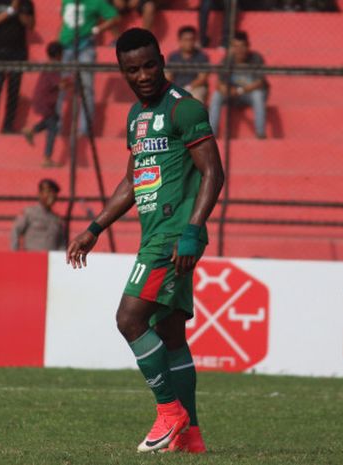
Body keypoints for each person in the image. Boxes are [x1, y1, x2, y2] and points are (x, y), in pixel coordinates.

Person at [66, 28, 224, 454]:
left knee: (129, 319)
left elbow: (214, 172)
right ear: (121, 72)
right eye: (132, 69)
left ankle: (169, 412)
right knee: (170, 333)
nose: (143, 75)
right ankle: (191, 438)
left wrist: (192, 231)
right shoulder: (136, 117)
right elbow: (134, 181)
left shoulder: (185, 109)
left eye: (150, 65)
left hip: (173, 236)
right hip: (155, 233)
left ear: (162, 61)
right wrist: (95, 227)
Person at [59, 0, 118, 136]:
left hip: (85, 47)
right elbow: (64, 22)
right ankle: (56, 127)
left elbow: (114, 17)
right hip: (65, 47)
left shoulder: (96, 2)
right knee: (61, 87)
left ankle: (84, 130)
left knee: (86, 88)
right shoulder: (66, 1)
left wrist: (97, 29)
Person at [0, 0, 35, 134]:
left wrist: (19, 11)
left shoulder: (26, 3)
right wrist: (10, 10)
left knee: (13, 90)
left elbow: (30, 25)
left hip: (17, 52)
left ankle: (8, 126)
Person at [209, 30, 268, 139]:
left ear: (247, 46)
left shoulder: (255, 58)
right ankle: (212, 135)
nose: (239, 50)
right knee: (216, 95)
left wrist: (240, 91)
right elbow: (219, 84)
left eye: (242, 46)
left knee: (258, 95)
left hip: (248, 95)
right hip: (232, 94)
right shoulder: (227, 60)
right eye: (235, 46)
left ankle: (260, 134)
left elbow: (260, 82)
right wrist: (227, 90)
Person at [22, 41, 67, 167]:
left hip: (43, 98)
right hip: (47, 100)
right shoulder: (54, 67)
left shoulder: (49, 65)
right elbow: (59, 84)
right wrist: (71, 83)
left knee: (52, 120)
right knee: (52, 127)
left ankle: (32, 130)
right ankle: (47, 158)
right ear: (59, 54)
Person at [11, 179, 65, 251]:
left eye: (53, 193)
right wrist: (15, 255)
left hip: (51, 260)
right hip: (32, 258)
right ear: (40, 194)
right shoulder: (29, 213)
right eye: (48, 192)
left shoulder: (57, 219)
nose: (51, 195)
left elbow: (62, 244)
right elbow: (16, 231)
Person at [165, 25, 209, 103]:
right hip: (176, 88)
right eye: (186, 40)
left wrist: (188, 88)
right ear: (180, 41)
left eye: (191, 39)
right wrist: (173, 89)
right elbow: (168, 77)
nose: (189, 43)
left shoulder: (202, 57)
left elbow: (202, 78)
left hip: (196, 88)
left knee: (196, 98)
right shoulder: (173, 57)